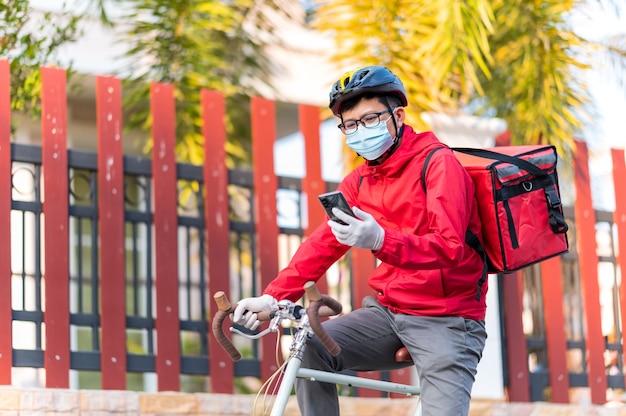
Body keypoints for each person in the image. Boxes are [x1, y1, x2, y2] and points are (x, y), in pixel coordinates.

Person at [232, 65, 488, 416]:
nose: (359, 131)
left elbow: (450, 248)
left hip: (448, 318)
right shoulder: (360, 181)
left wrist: (381, 240)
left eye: (369, 120)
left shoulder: (438, 164)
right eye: (350, 125)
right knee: (310, 345)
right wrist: (272, 298)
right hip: (388, 312)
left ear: (397, 116)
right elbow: (323, 245)